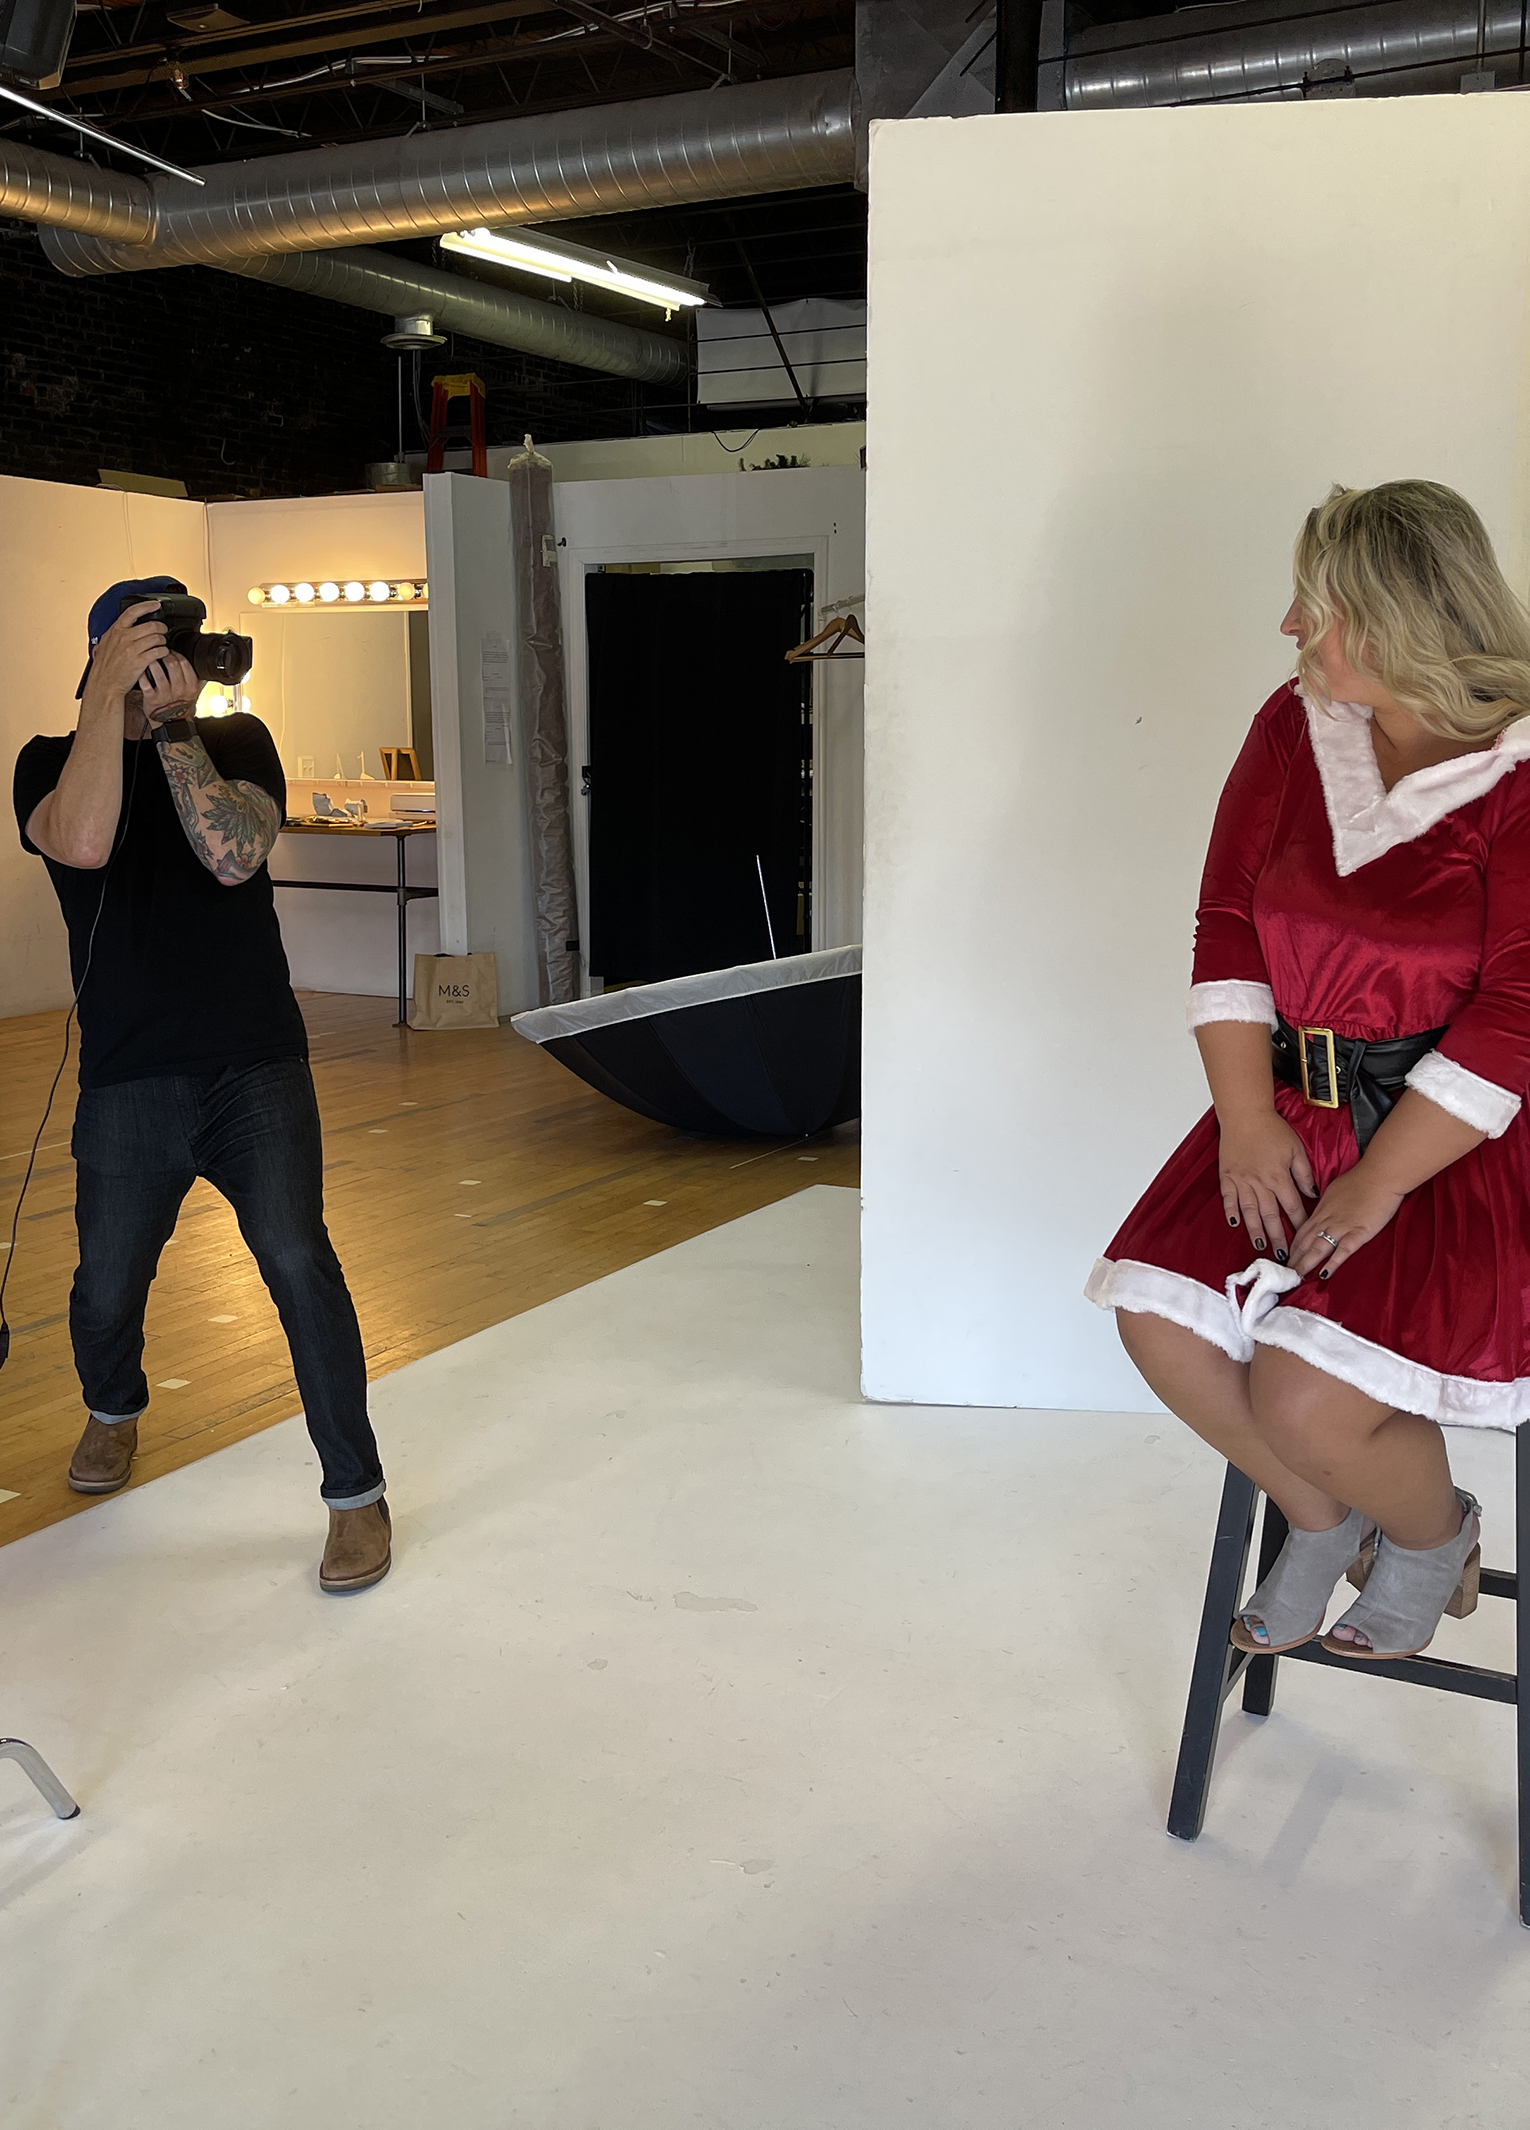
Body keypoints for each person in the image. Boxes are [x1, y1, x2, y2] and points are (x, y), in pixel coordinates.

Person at [1087, 481, 1530, 1662]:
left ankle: (1433, 1536)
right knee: (1161, 1327)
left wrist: (1379, 1183)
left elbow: (1515, 1012)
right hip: (1288, 1109)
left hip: (1453, 1142)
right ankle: (1323, 1520)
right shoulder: (1295, 726)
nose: (1291, 629)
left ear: (1388, 618)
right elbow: (1227, 919)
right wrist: (1244, 1117)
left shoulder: (1523, 770)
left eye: (1313, 605)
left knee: (1303, 1392)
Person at [12, 578, 391, 1593]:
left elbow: (231, 857)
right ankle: (115, 1405)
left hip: (254, 1061)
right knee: (105, 1288)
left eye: (178, 641)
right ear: (100, 655)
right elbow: (84, 842)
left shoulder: (243, 741)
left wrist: (178, 725)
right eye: (148, 644)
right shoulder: (45, 766)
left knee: (298, 1259)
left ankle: (355, 1497)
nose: (172, 659)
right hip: (129, 1077)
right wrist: (108, 704)